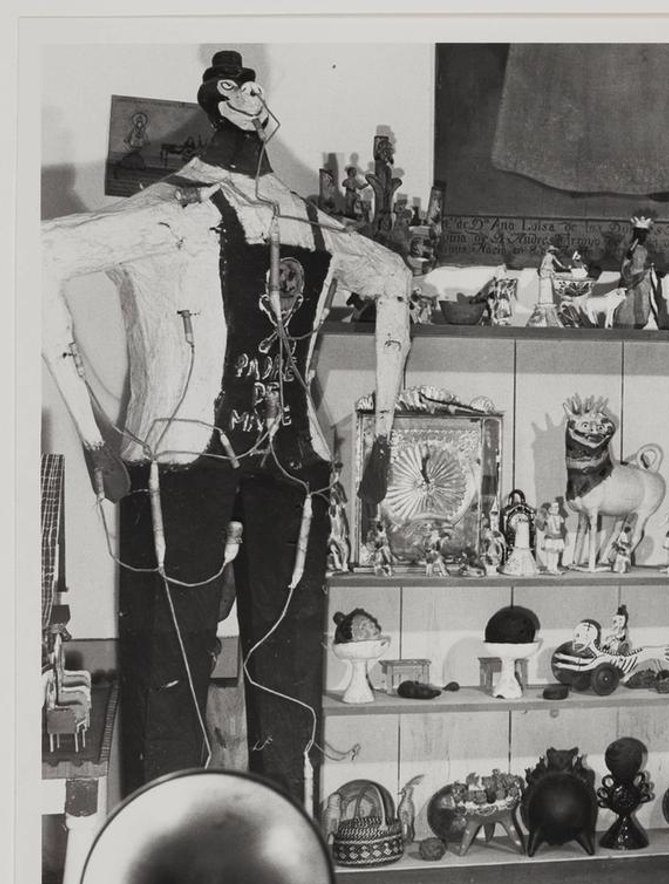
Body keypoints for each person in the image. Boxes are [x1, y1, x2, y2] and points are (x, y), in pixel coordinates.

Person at [41, 51, 412, 807]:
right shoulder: (170, 213)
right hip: (184, 460)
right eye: (236, 90)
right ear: (218, 104)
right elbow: (35, 256)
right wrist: (93, 438)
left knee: (289, 671)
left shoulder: (309, 221)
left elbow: (395, 278)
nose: (251, 100)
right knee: (172, 670)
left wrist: (381, 441)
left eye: (254, 88)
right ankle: (168, 879)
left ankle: (289, 877)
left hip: (289, 466)